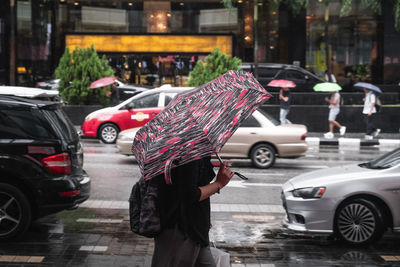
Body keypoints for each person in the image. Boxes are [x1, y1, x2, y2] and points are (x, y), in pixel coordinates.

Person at [151, 157, 234, 267]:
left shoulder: (195, 152)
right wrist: (219, 183)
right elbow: (190, 194)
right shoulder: (189, 155)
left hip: (195, 228)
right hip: (182, 230)